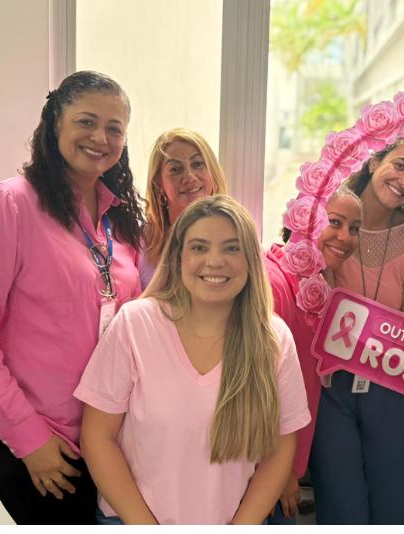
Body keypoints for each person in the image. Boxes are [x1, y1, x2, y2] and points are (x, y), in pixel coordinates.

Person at [0, 71, 144, 524]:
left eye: (114, 128)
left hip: (107, 437)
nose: (100, 138)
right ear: (56, 123)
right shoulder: (13, 203)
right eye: (86, 121)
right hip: (40, 438)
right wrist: (28, 436)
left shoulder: (120, 218)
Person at [76, 195, 310, 524]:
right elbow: (97, 438)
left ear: (250, 260)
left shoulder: (274, 339)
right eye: (199, 247)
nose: (215, 261)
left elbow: (280, 449)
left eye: (232, 248)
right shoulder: (135, 325)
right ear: (178, 257)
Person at [311, 132, 404, 524]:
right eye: (400, 165)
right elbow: (315, 306)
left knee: (391, 507)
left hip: (393, 385)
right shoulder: (328, 218)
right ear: (373, 162)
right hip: (329, 384)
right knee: (340, 507)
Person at [264, 186, 362, 524]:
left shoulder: (314, 285)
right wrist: (279, 470)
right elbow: (259, 387)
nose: (346, 237)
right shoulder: (272, 281)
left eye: (354, 228)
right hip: (265, 469)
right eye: (334, 222)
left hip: (286, 463)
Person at [140, 128, 228, 288]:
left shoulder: (238, 234)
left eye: (198, 164)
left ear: (212, 170)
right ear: (158, 181)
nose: (189, 177)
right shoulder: (140, 241)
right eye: (175, 169)